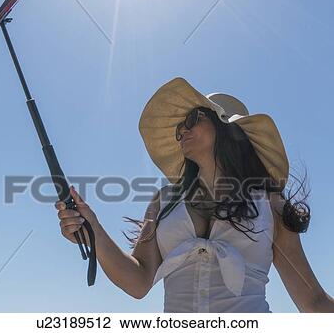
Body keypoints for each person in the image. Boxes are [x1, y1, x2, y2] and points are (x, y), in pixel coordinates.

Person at [55, 77, 334, 313]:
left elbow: (313, 299)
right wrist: (95, 232)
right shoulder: (163, 201)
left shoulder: (271, 205)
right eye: (179, 129)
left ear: (226, 128)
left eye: (192, 119)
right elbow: (139, 281)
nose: (183, 131)